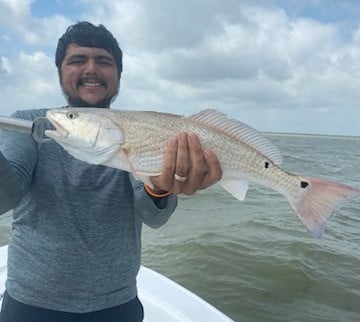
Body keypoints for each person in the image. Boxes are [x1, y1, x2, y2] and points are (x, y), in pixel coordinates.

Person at [0, 21, 222, 321]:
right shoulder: (28, 124)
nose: (91, 68)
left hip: (116, 304)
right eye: (77, 60)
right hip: (31, 302)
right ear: (59, 72)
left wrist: (159, 186)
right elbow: (5, 198)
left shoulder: (136, 132)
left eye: (104, 61)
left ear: (118, 75)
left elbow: (153, 215)